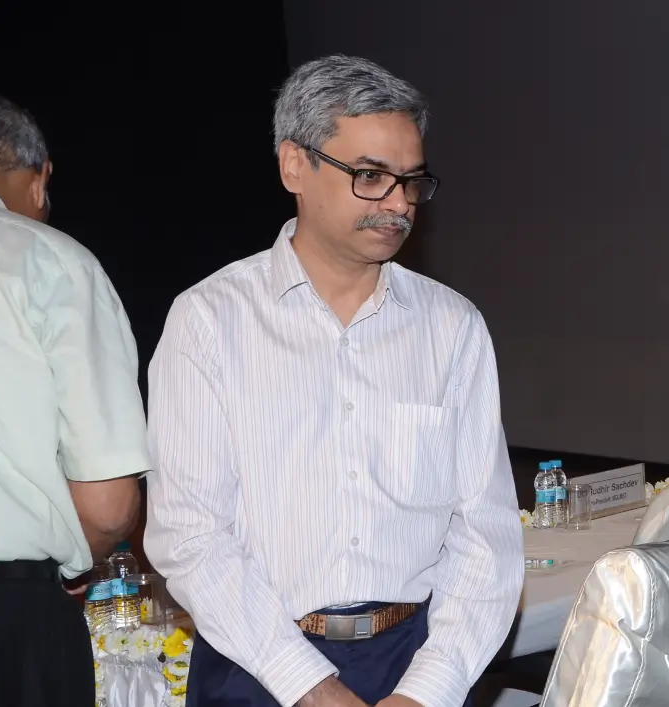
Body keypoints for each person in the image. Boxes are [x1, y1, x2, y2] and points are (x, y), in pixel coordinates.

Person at [143, 56, 523, 707]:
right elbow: (191, 533)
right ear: (295, 165)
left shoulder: (451, 326)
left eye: (411, 181)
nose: (399, 204)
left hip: (411, 660)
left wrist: (426, 691)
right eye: (370, 177)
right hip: (255, 665)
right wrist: (311, 686)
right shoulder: (210, 320)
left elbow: (485, 536)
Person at [0, 94, 150, 707]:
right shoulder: (50, 261)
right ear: (40, 176)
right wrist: (70, 565)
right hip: (10, 621)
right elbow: (108, 507)